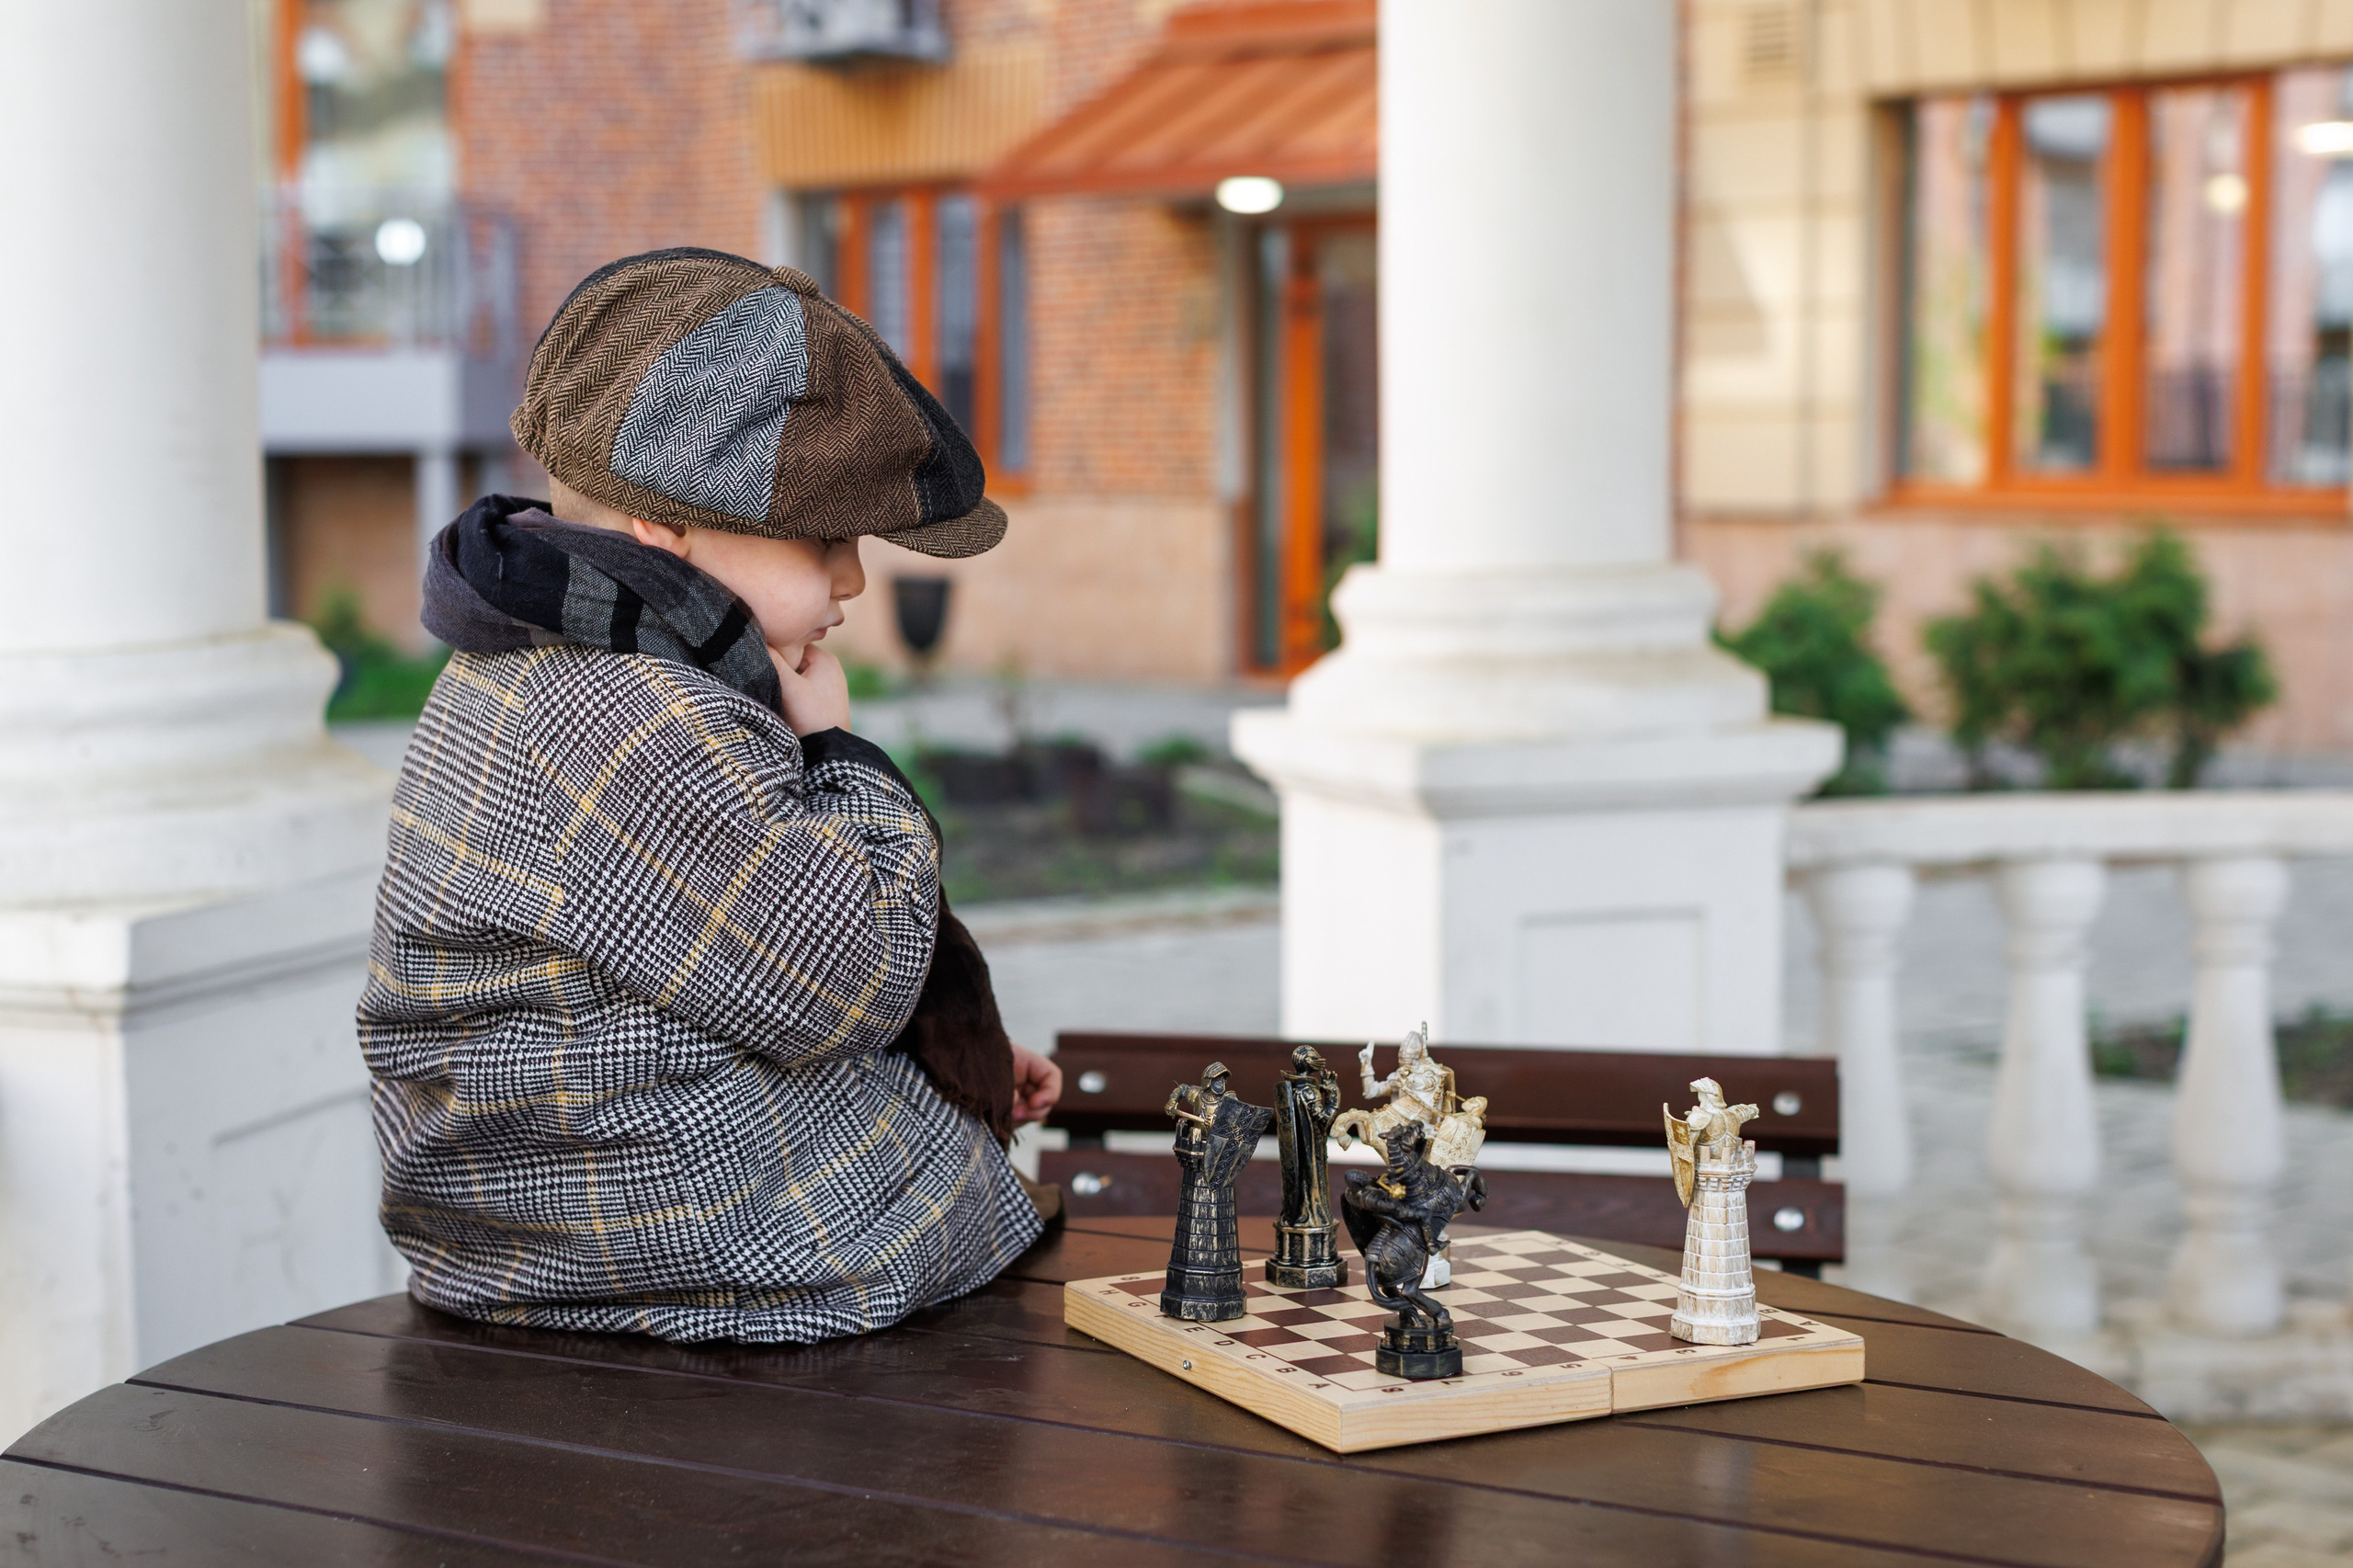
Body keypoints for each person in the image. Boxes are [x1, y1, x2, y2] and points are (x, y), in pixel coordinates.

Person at [358, 247, 1059, 1344]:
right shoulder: (634, 712)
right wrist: (838, 755)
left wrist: (938, 1055)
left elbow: (735, 955)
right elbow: (844, 979)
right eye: (825, 539)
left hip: (551, 1213)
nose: (852, 582)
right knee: (965, 1226)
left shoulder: (547, 660)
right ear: (666, 525)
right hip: (673, 1229)